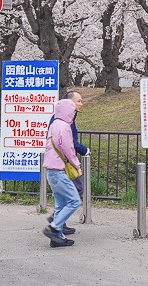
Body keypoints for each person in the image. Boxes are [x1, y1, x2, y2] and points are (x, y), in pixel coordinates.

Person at [42, 98, 81, 248]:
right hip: (59, 171)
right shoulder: (64, 127)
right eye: (72, 111)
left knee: (60, 204)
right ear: (66, 111)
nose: (73, 114)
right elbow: (69, 150)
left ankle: (57, 238)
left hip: (51, 171)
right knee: (74, 201)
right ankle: (54, 228)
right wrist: (76, 165)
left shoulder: (53, 125)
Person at [48, 91, 90, 229]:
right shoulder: (64, 124)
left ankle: (57, 228)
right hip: (61, 165)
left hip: (54, 165)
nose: (81, 104)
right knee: (74, 198)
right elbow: (69, 147)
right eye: (78, 101)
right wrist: (78, 162)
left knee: (61, 199)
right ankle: (56, 224)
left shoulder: (58, 121)